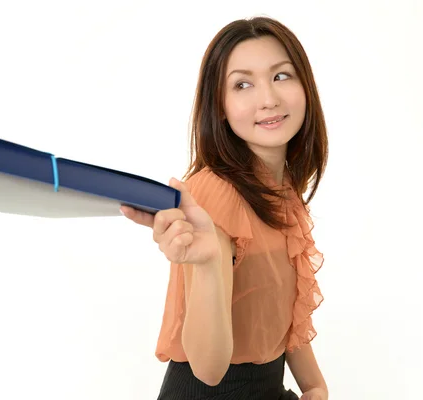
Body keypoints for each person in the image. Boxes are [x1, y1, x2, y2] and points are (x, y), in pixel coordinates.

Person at [121, 16, 329, 400]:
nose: (268, 98)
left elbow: (277, 315)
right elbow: (209, 370)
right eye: (242, 84)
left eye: (281, 76)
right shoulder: (210, 193)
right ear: (219, 105)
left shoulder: (282, 191)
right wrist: (209, 261)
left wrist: (314, 386)